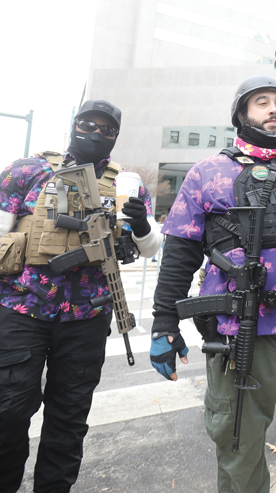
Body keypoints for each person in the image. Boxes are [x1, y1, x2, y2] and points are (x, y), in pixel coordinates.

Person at [150, 75, 276, 493]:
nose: (273, 109)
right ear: (241, 115)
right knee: (239, 458)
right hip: (241, 337)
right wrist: (164, 323)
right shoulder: (208, 173)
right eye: (261, 102)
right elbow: (180, 254)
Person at [0, 99, 163, 493]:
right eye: (88, 124)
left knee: (69, 419)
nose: (96, 133)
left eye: (107, 129)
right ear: (75, 125)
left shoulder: (126, 182)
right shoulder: (29, 171)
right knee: (8, 411)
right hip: (22, 309)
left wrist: (140, 223)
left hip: (87, 317)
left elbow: (149, 247)